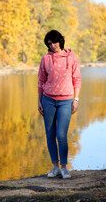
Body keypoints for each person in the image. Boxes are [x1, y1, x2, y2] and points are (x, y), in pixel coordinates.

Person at [38, 30, 81, 179]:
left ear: (60, 41)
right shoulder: (45, 59)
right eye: (49, 44)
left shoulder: (72, 57)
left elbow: (77, 79)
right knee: (50, 135)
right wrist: (39, 100)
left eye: (54, 42)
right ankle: (55, 166)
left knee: (61, 135)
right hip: (48, 100)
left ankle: (64, 167)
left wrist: (76, 99)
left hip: (65, 101)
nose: (52, 45)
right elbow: (41, 81)